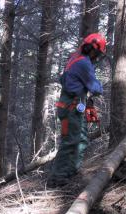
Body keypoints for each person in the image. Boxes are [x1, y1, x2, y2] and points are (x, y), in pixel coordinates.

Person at [47, 33, 106, 187]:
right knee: (70, 141)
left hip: (75, 106)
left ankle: (72, 171)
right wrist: (98, 86)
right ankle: (57, 177)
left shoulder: (75, 57)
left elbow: (64, 79)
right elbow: (95, 87)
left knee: (81, 139)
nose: (97, 57)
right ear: (93, 50)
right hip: (71, 107)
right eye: (97, 54)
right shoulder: (83, 63)